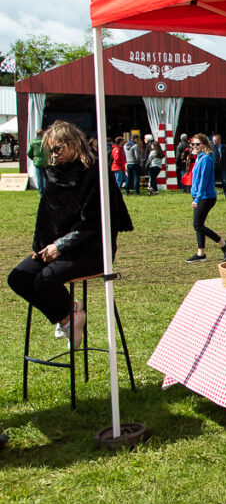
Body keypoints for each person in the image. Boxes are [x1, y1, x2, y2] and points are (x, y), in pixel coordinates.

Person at [7, 121, 133, 350]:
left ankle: (68, 317)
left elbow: (95, 222)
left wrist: (60, 246)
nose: (53, 156)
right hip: (59, 248)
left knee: (45, 280)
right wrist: (44, 246)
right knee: (19, 277)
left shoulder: (96, 173)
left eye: (57, 149)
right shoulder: (55, 172)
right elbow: (49, 215)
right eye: (50, 150)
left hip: (93, 250)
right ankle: (69, 317)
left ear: (73, 145)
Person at [185, 134, 226, 264]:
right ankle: (201, 253)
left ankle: (224, 244)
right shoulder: (200, 159)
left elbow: (204, 181)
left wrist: (197, 198)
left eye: (197, 144)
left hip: (206, 197)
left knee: (197, 225)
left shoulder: (206, 159)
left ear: (204, 145)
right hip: (200, 196)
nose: (194, 146)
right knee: (198, 225)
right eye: (193, 144)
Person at [212, 134, 226, 201]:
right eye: (213, 141)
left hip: (222, 166)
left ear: (219, 140)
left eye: (215, 140)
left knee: (224, 181)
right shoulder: (211, 147)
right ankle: (212, 197)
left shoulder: (224, 147)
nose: (214, 142)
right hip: (214, 166)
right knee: (212, 182)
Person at [27, 129, 47, 196]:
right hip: (46, 161)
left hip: (37, 162)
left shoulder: (33, 142)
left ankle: (40, 192)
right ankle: (46, 192)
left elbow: (28, 152)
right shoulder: (46, 141)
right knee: (46, 177)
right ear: (42, 134)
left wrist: (33, 158)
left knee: (39, 178)